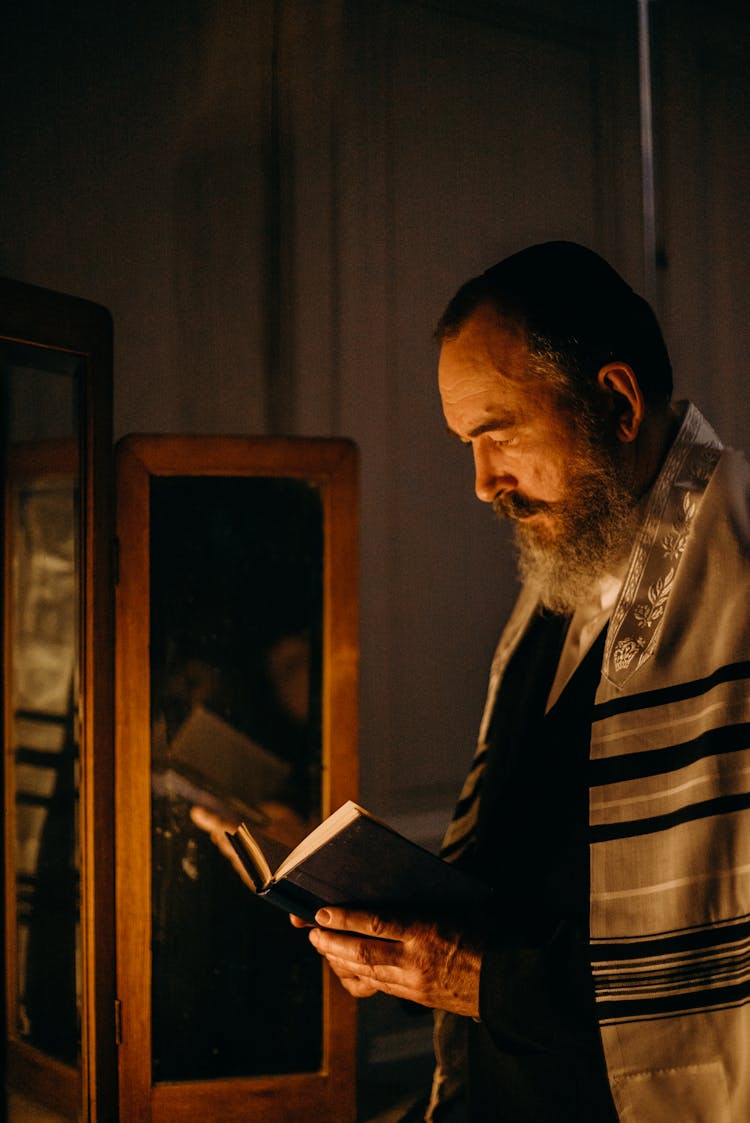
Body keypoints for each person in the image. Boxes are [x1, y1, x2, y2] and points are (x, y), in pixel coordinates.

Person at [299, 242, 750, 1121]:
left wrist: (479, 978)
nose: (480, 483)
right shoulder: (560, 591)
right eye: (466, 444)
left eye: (497, 432)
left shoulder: (739, 581)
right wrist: (398, 941)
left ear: (615, 401)